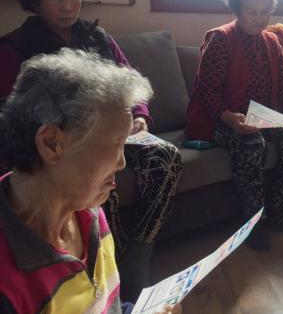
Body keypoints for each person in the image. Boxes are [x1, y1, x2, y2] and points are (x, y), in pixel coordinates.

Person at [0, 0, 183, 300]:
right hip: (67, 145)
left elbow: (129, 81)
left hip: (116, 134)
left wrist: (139, 117)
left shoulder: (98, 37)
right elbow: (11, 116)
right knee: (93, 176)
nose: (67, 5)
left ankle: (138, 254)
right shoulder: (15, 46)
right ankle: (108, 262)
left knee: (165, 156)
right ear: (36, 3)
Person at [0, 49, 179, 313]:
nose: (122, 162)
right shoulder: (7, 287)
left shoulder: (88, 210)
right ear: (52, 143)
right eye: (117, 143)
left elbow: (106, 305)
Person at [185, 0, 283, 251]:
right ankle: (252, 223)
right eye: (252, 12)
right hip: (222, 119)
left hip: (264, 117)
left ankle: (281, 212)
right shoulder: (220, 39)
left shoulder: (271, 41)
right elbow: (206, 91)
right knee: (251, 143)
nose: (259, 19)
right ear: (237, 9)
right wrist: (230, 118)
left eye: (265, 11)